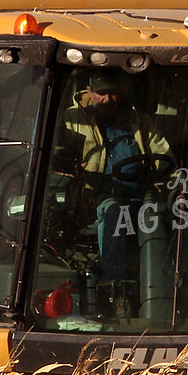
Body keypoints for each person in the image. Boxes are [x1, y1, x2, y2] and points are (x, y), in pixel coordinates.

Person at [58, 70, 172, 284]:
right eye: (102, 93)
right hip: (96, 197)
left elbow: (164, 156)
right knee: (114, 212)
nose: (108, 99)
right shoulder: (73, 119)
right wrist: (72, 168)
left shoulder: (139, 120)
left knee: (183, 218)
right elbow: (59, 159)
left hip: (140, 195)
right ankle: (113, 285)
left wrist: (181, 190)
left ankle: (172, 281)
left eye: (113, 93)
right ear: (89, 91)